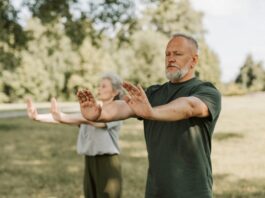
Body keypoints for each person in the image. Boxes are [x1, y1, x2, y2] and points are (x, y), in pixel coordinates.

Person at [77, 33, 222, 198]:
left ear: (194, 60)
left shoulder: (207, 91)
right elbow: (124, 107)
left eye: (178, 54)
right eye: (167, 54)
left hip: (193, 192)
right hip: (156, 192)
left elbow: (189, 106)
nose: (170, 59)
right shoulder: (153, 94)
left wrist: (152, 113)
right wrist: (98, 114)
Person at [27, 72, 124, 198]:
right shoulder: (92, 110)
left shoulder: (118, 110)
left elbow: (96, 121)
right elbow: (70, 119)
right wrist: (37, 117)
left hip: (107, 162)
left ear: (115, 92)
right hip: (89, 160)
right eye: (99, 86)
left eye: (104, 86)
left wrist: (65, 116)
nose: (99, 88)